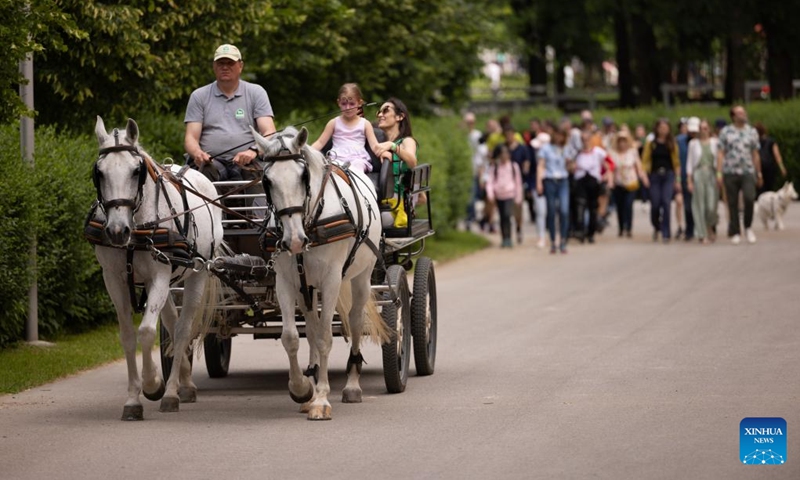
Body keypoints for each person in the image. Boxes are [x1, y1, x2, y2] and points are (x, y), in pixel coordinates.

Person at [185, 44, 276, 184]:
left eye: (230, 63)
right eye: (221, 63)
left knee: (256, 175)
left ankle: (256, 206)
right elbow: (191, 137)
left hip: (248, 161)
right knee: (205, 171)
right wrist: (198, 154)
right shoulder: (199, 96)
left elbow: (269, 132)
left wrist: (253, 151)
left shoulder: (256, 92)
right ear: (214, 66)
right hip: (211, 162)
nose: (225, 67)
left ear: (240, 66)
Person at [716, 105, 762, 245]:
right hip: (730, 171)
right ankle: (735, 231)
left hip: (748, 170)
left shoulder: (752, 132)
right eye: (740, 112)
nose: (743, 114)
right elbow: (720, 153)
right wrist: (719, 172)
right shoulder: (726, 131)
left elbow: (755, 153)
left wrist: (758, 172)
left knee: (749, 198)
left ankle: (748, 227)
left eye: (744, 112)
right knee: (732, 202)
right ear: (733, 116)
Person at [311, 83, 381, 173]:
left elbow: (375, 146)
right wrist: (305, 151)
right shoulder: (333, 123)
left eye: (352, 104)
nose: (348, 108)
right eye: (344, 104)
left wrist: (384, 153)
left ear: (359, 103)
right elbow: (320, 142)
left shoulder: (365, 124)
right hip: (336, 159)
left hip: (358, 160)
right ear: (338, 103)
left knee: (357, 167)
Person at [374, 98, 419, 222]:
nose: (380, 115)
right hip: (374, 195)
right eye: (379, 112)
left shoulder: (407, 141)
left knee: (379, 219)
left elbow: (412, 161)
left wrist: (392, 146)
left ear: (399, 117)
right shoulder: (376, 141)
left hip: (395, 199)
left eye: (385, 111)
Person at [641, 119, 681, 243]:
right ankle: (657, 226)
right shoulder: (651, 143)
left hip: (668, 175)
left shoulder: (672, 143)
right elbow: (645, 161)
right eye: (661, 127)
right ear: (657, 129)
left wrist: (677, 180)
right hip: (655, 175)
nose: (663, 129)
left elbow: (676, 163)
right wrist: (644, 177)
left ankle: (666, 232)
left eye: (665, 127)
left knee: (666, 202)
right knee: (655, 203)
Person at [537, 127, 571, 254]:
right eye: (557, 135)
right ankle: (552, 241)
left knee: (564, 210)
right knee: (551, 211)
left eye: (561, 135)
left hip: (563, 180)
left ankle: (563, 240)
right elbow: (541, 165)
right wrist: (539, 182)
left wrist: (570, 163)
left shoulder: (565, 149)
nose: (559, 138)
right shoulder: (546, 149)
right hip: (550, 180)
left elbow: (570, 166)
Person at [573, 130, 609, 243]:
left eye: (587, 139)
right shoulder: (577, 153)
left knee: (593, 208)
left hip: (594, 181)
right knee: (580, 206)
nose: (585, 141)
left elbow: (609, 164)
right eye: (583, 139)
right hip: (581, 181)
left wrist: (607, 175)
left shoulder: (598, 152)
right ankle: (581, 230)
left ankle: (591, 233)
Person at [611, 129, 649, 238]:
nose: (622, 143)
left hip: (631, 182)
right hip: (618, 182)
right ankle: (621, 227)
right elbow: (611, 169)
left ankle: (629, 227)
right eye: (620, 141)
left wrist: (643, 177)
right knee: (620, 206)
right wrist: (611, 180)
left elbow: (639, 166)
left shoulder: (632, 152)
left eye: (624, 141)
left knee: (628, 205)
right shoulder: (613, 153)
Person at [686, 119, 719, 244]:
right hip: (698, 173)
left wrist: (720, 175)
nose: (703, 131)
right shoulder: (693, 143)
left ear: (709, 129)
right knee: (699, 204)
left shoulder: (715, 142)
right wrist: (689, 180)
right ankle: (701, 232)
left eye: (705, 128)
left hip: (712, 173)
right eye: (701, 128)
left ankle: (710, 225)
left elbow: (720, 159)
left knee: (711, 205)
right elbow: (689, 163)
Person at [485, 144, 523, 248]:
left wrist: (518, 196)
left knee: (507, 215)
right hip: (499, 195)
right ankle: (504, 237)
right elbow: (490, 181)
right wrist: (490, 194)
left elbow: (518, 182)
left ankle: (509, 237)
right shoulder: (495, 167)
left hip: (510, 194)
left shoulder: (513, 166)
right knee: (502, 217)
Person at [504, 124, 531, 244]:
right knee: (506, 210)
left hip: (518, 182)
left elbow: (527, 162)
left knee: (518, 208)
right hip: (505, 182)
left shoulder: (522, 148)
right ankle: (507, 234)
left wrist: (525, 171)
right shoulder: (503, 148)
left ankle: (518, 227)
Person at [675, 117, 699, 241]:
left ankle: (705, 228)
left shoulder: (703, 141)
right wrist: (677, 178)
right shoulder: (679, 141)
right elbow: (676, 160)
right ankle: (689, 230)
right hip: (685, 176)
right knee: (688, 206)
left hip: (701, 177)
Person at [464, 112, 485, 231]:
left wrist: (481, 170)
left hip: (474, 168)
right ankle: (469, 217)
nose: (469, 124)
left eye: (471, 122)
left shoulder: (477, 135)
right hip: (466, 169)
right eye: (467, 122)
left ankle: (471, 217)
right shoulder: (462, 135)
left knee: (473, 196)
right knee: (469, 196)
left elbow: (481, 153)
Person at [754, 122, 788, 196]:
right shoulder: (771, 141)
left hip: (757, 166)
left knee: (759, 189)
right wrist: (782, 167)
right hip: (769, 167)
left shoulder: (754, 142)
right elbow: (777, 155)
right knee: (769, 189)